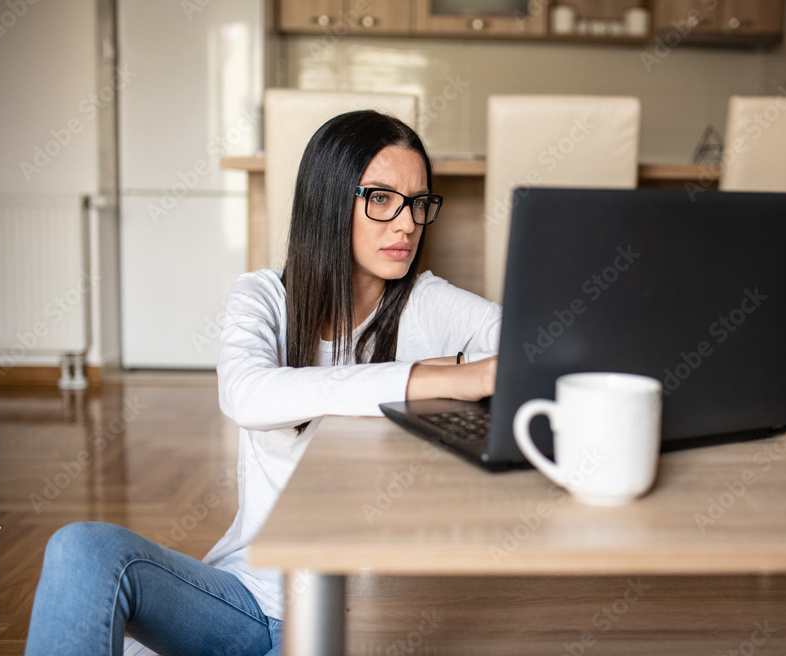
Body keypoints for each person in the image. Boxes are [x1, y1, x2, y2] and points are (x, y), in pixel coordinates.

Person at [25, 110, 501, 656]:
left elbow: (533, 345)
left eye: (418, 202)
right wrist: (418, 379)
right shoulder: (263, 297)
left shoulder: (427, 303)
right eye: (381, 198)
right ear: (327, 200)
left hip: (358, 618)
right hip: (247, 601)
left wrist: (472, 375)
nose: (407, 223)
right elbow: (247, 394)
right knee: (81, 548)